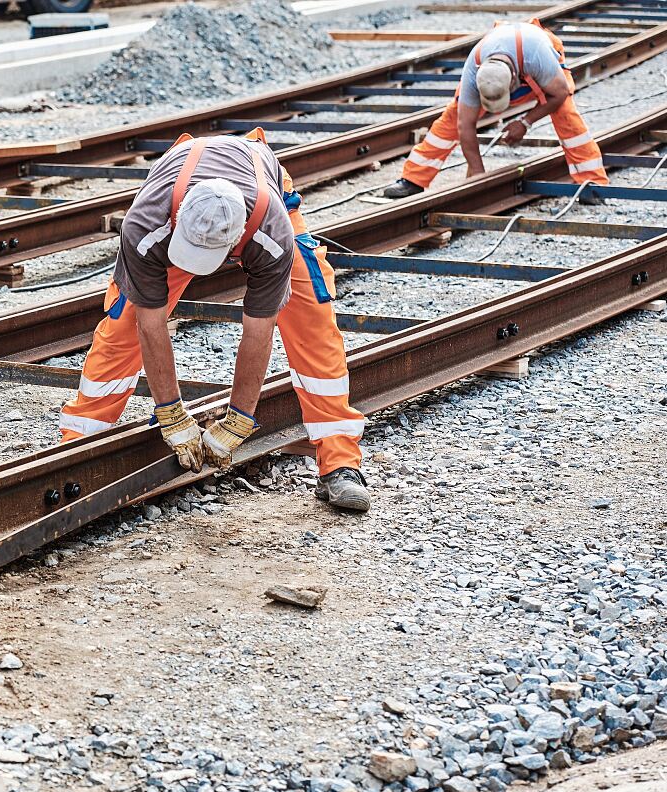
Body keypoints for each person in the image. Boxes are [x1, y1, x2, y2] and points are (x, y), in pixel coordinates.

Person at [58, 130, 369, 512]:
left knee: (312, 320)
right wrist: (170, 413)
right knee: (124, 323)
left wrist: (240, 419)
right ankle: (76, 446)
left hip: (262, 191)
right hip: (178, 189)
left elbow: (259, 329)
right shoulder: (144, 224)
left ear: (238, 238)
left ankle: (340, 462)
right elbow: (150, 325)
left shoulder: (272, 233)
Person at [382, 19, 607, 199]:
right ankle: (413, 179)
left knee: (565, 114)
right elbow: (465, 125)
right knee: (452, 118)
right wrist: (479, 176)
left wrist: (525, 123)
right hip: (504, 58)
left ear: (513, 83)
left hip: (531, 54)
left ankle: (592, 183)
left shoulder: (538, 56)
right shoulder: (473, 71)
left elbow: (559, 93)